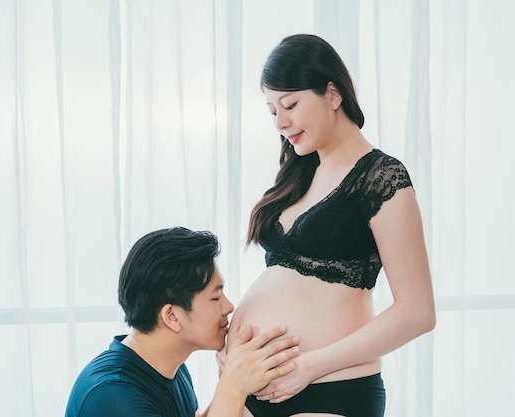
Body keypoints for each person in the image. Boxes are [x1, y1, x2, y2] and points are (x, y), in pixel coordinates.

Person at [224, 34, 436, 417]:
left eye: (289, 104)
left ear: (333, 94)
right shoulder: (299, 171)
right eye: (272, 111)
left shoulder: (381, 177)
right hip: (254, 393)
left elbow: (418, 312)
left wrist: (308, 366)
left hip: (330, 391)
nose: (280, 122)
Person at [64, 226, 301, 417]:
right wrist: (233, 387)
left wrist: (230, 382)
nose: (229, 307)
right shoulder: (112, 396)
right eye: (215, 296)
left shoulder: (170, 368)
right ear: (172, 317)